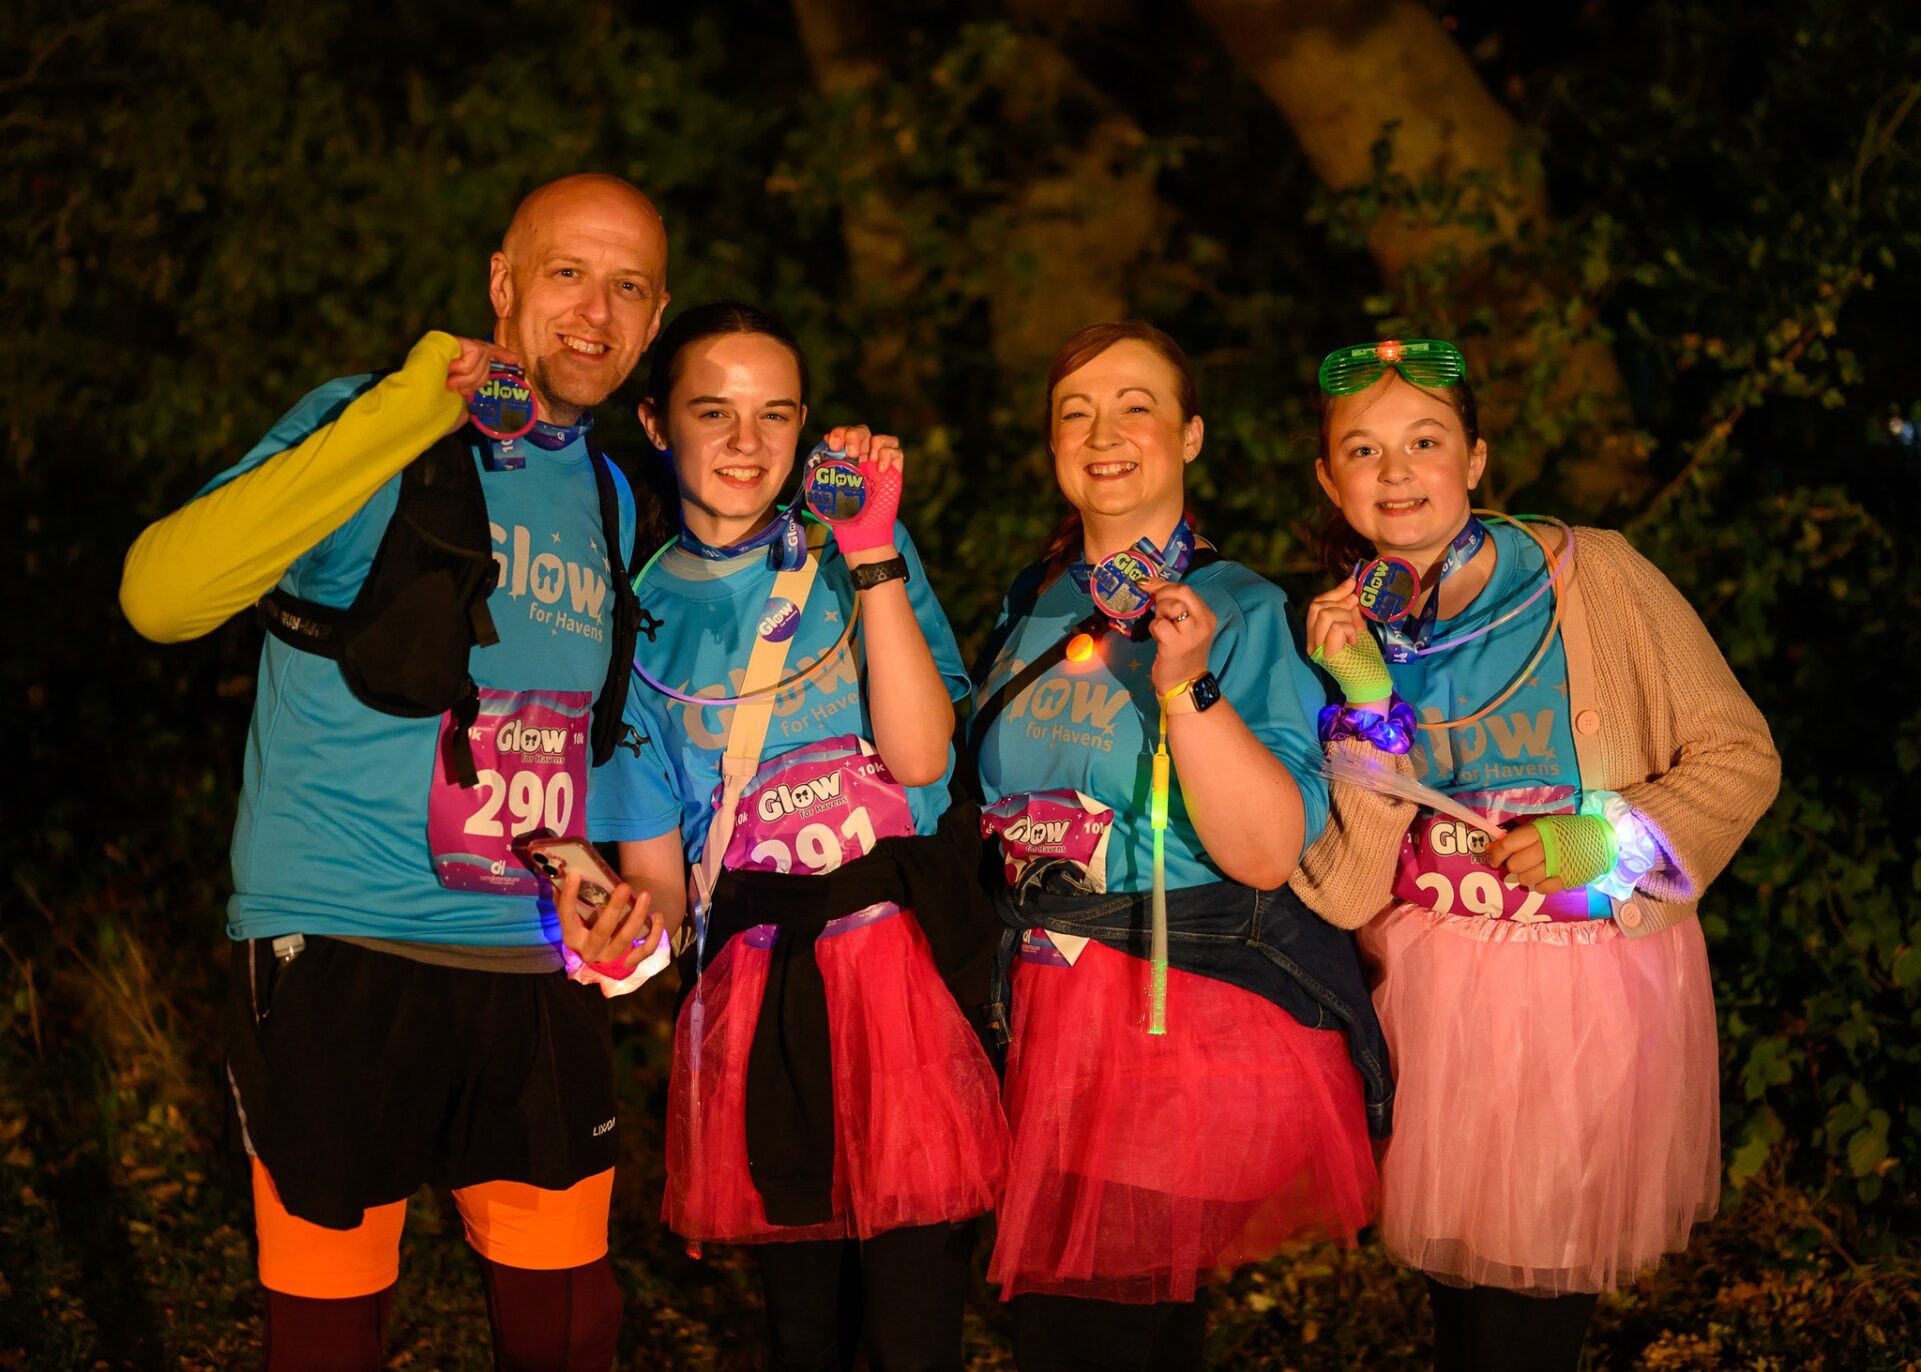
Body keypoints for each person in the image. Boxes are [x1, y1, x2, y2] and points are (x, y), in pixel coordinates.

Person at [119, 174, 672, 1372]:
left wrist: (598, 885)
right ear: (501, 283)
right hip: (340, 946)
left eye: (628, 285)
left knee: (575, 1328)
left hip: (528, 960)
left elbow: (553, 739)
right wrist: (411, 408)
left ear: (656, 317)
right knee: (328, 1340)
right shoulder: (370, 422)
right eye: (566, 272)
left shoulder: (618, 498)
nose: (595, 310)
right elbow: (159, 596)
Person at [1292, 337, 1781, 1372]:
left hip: (1581, 997)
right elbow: (1340, 886)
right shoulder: (1349, 622)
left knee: (1528, 1319)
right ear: (1330, 480)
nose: (1396, 472)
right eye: (1365, 451)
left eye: (1424, 441)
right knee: (1456, 1307)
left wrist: (1605, 832)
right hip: (1426, 993)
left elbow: (1740, 756)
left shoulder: (1588, 569)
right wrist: (1365, 700)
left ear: (1474, 458)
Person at [572, 302, 1007, 1372]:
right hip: (761, 990)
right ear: (655, 421)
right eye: (710, 411)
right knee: (802, 1329)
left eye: (774, 413)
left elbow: (917, 759)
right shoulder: (629, 613)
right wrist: (624, 923)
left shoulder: (854, 551)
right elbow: (663, 882)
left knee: (914, 1327)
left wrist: (869, 556)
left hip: (904, 970)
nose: (745, 441)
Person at [969, 321, 1385, 1371]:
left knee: (1082, 1334)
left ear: (1191, 435)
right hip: (1044, 1006)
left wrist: (1185, 686)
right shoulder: (1035, 602)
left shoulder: (1244, 609)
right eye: (1076, 412)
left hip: (1172, 1016)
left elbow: (1263, 849)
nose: (1103, 433)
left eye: (1135, 405)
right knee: (1137, 1337)